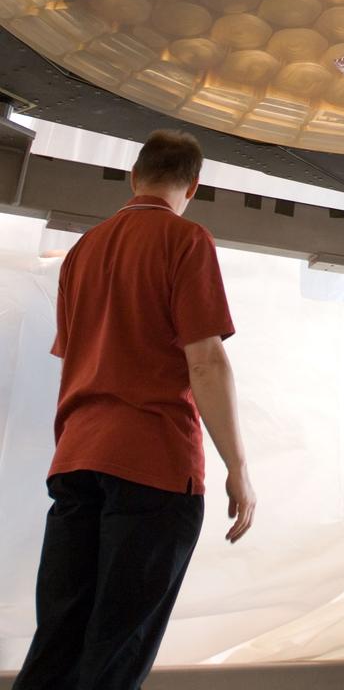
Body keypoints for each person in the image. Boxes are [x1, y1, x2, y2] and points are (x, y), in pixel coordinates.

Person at [14, 129, 256, 690]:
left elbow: (75, 359)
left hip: (77, 463)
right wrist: (238, 470)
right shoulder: (186, 240)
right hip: (152, 466)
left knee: (57, 643)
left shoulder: (82, 253)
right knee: (115, 651)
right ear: (193, 186)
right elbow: (206, 362)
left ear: (133, 177)